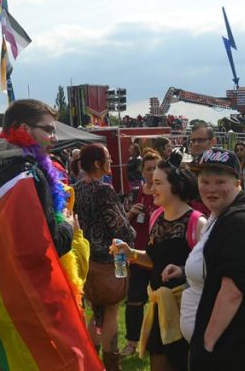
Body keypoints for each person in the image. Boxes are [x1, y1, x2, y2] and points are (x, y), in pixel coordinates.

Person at [0, 99, 100, 371]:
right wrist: (68, 228)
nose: (54, 137)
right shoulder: (26, 176)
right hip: (33, 299)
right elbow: (42, 247)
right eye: (47, 130)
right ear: (24, 129)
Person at [164, 148, 245, 369]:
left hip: (235, 352)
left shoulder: (239, 223)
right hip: (230, 348)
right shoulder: (220, 215)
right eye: (205, 181)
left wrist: (206, 347)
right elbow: (220, 264)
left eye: (220, 182)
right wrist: (185, 270)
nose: (211, 189)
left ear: (238, 183)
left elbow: (233, 292)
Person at [112, 162, 206, 371]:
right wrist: (131, 253)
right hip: (159, 308)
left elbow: (209, 268)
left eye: (157, 183)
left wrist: (182, 270)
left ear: (175, 186)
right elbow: (155, 260)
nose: (151, 188)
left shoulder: (197, 223)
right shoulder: (156, 217)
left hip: (186, 310)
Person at [74, 143, 136, 371]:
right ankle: (112, 365)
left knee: (97, 313)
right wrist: (132, 236)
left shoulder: (76, 188)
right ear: (98, 164)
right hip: (112, 259)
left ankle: (91, 362)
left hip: (86, 260)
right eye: (108, 158)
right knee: (111, 311)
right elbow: (120, 227)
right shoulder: (104, 190)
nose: (111, 161)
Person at [120, 150, 160, 357]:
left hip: (160, 254)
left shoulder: (169, 190)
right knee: (134, 299)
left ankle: (159, 343)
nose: (152, 173)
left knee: (161, 299)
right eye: (149, 169)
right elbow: (125, 223)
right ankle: (131, 342)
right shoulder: (137, 191)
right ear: (142, 171)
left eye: (156, 168)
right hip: (138, 252)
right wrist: (131, 212)